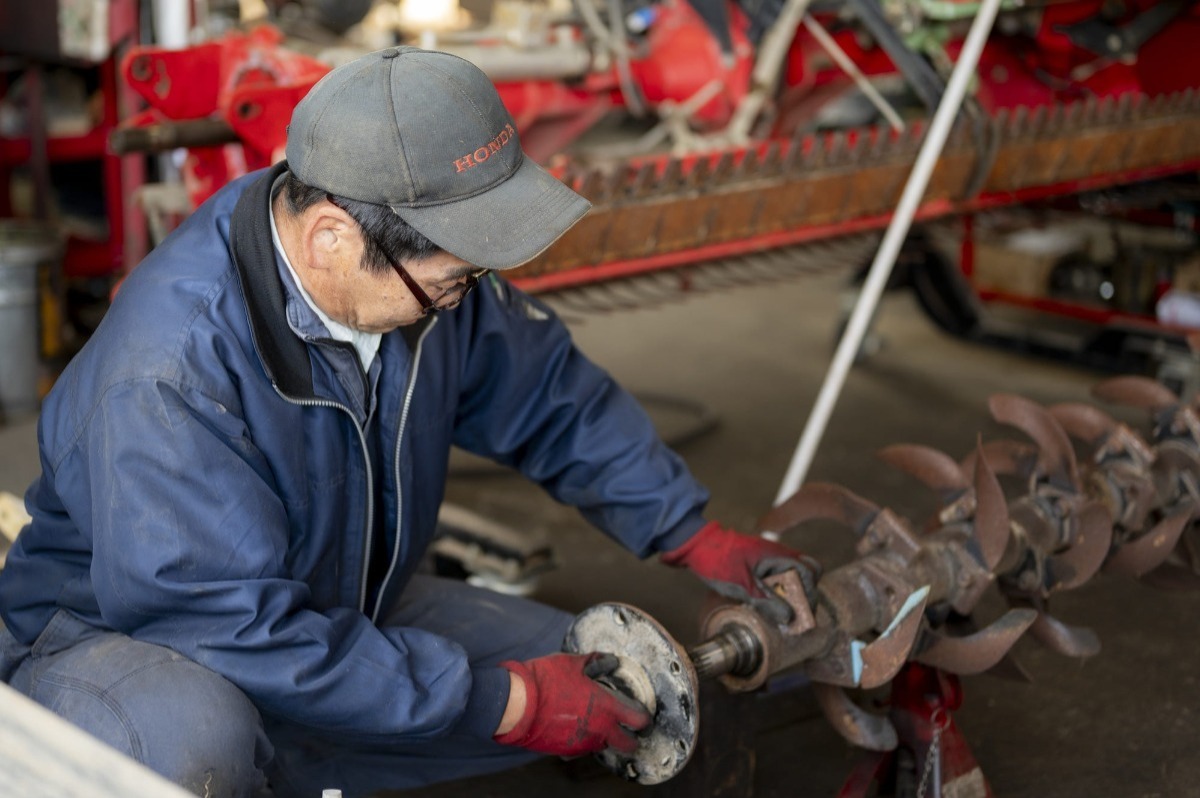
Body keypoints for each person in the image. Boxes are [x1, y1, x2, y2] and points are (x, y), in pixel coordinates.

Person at [0, 47, 817, 797]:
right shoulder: (171, 370)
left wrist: (689, 532)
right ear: (332, 237)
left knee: (610, 683)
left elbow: (547, 396)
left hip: (338, 602)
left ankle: (326, 732)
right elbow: (228, 623)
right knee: (195, 747)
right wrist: (506, 702)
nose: (465, 297)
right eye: (454, 279)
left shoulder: (411, 279)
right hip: (132, 646)